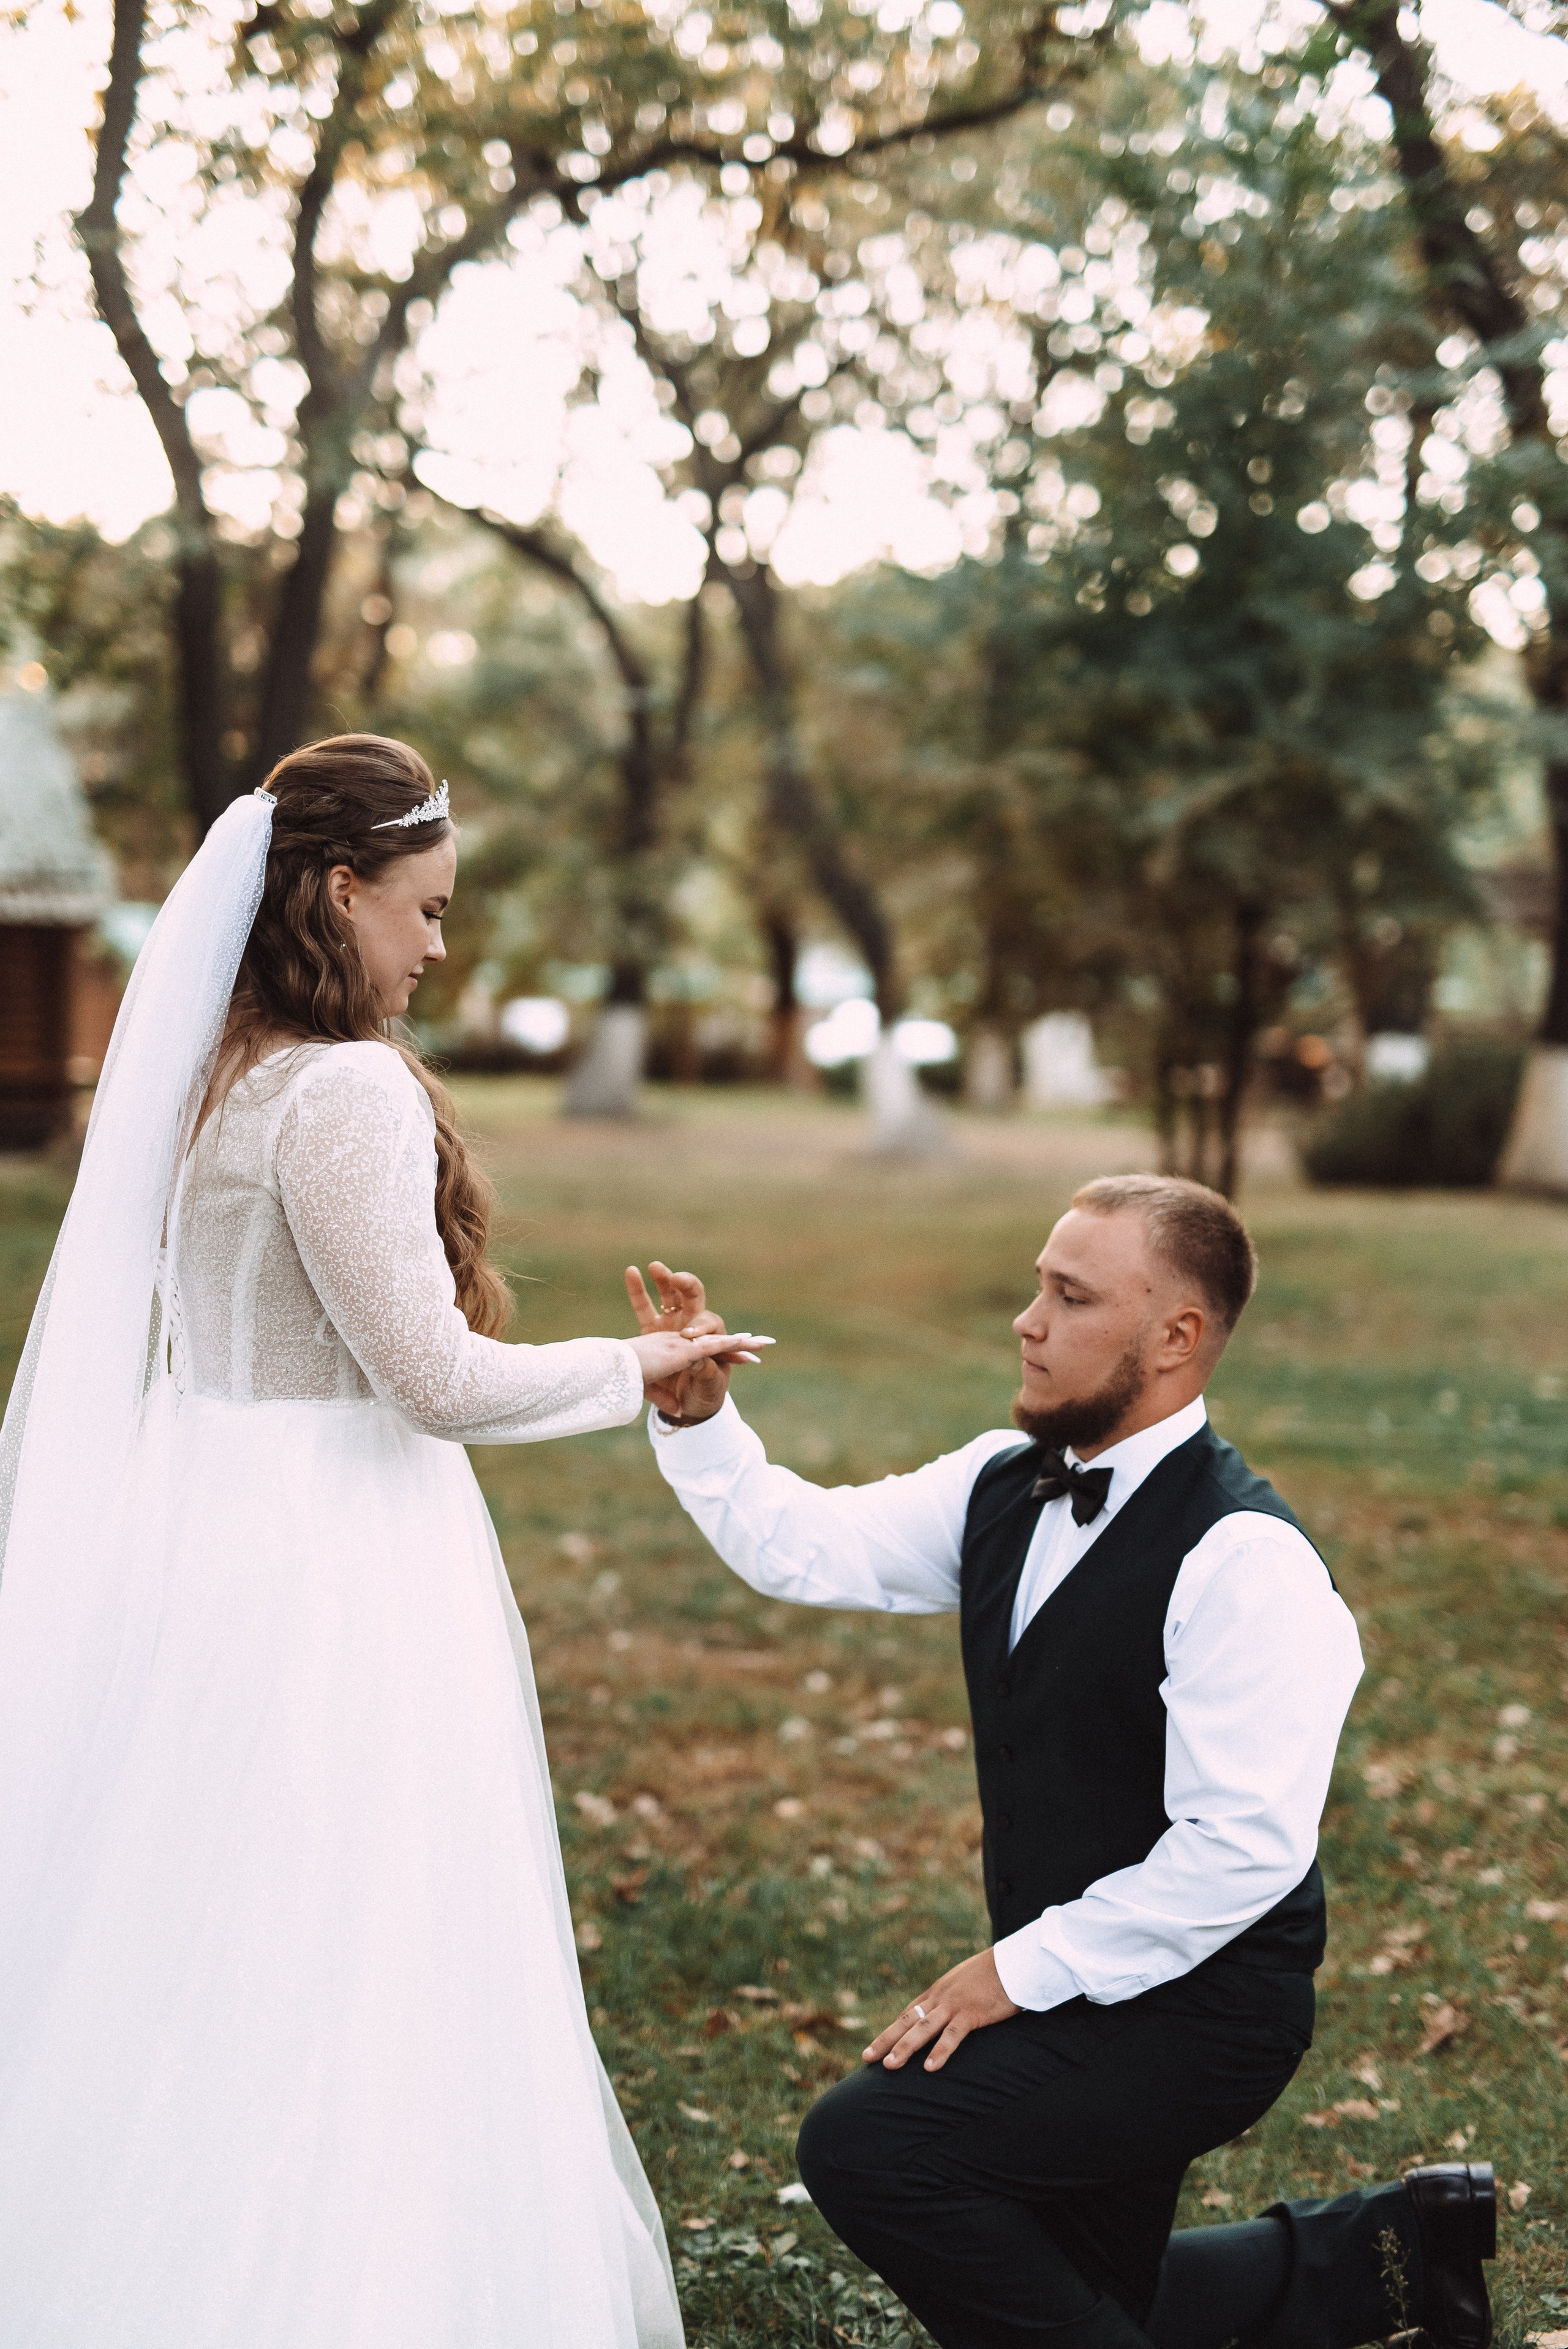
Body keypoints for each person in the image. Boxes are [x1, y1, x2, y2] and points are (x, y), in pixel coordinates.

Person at [0, 735, 771, 2349]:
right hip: (327, 1564)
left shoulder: (216, 1077)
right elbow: (433, 1381)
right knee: (349, 1946)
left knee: (207, 1933)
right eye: (420, 909)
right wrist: (640, 1366)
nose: (436, 945)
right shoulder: (340, 1090)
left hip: (200, 1534)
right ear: (337, 892)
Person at [629, 1176, 1496, 2349]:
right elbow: (804, 1546)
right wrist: (698, 1421)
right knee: (1092, 2293)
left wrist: (1017, 1974)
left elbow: (1240, 1853)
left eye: (1071, 1296)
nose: (1028, 1321)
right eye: (1039, 1285)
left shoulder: (1247, 1563)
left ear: (1176, 1337)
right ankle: (1403, 2249)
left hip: (1205, 2006)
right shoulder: (1004, 1481)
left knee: (871, 2148)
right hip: (1085, 1981)